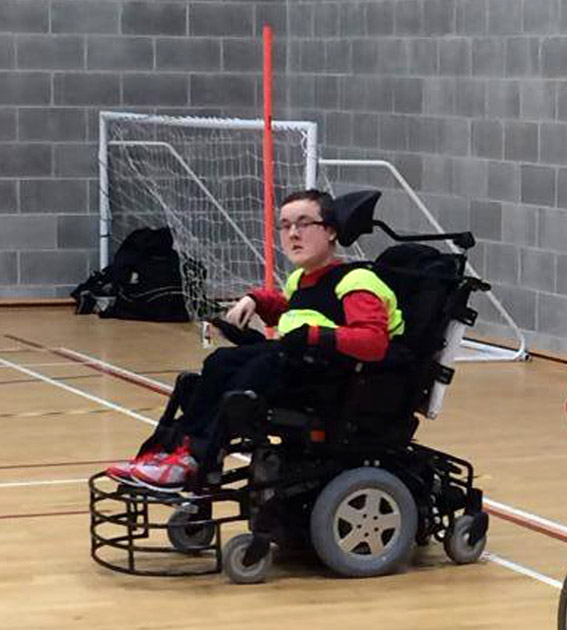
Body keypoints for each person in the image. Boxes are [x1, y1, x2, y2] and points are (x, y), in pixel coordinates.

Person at [106, 189, 404, 492]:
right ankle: (173, 450)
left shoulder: (357, 281)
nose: (293, 234)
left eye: (304, 224)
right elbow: (299, 311)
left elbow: (372, 341)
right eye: (285, 226)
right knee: (219, 362)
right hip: (302, 364)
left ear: (329, 231)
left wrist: (315, 336)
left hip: (338, 382)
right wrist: (258, 300)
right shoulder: (300, 279)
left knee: (252, 374)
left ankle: (196, 458)